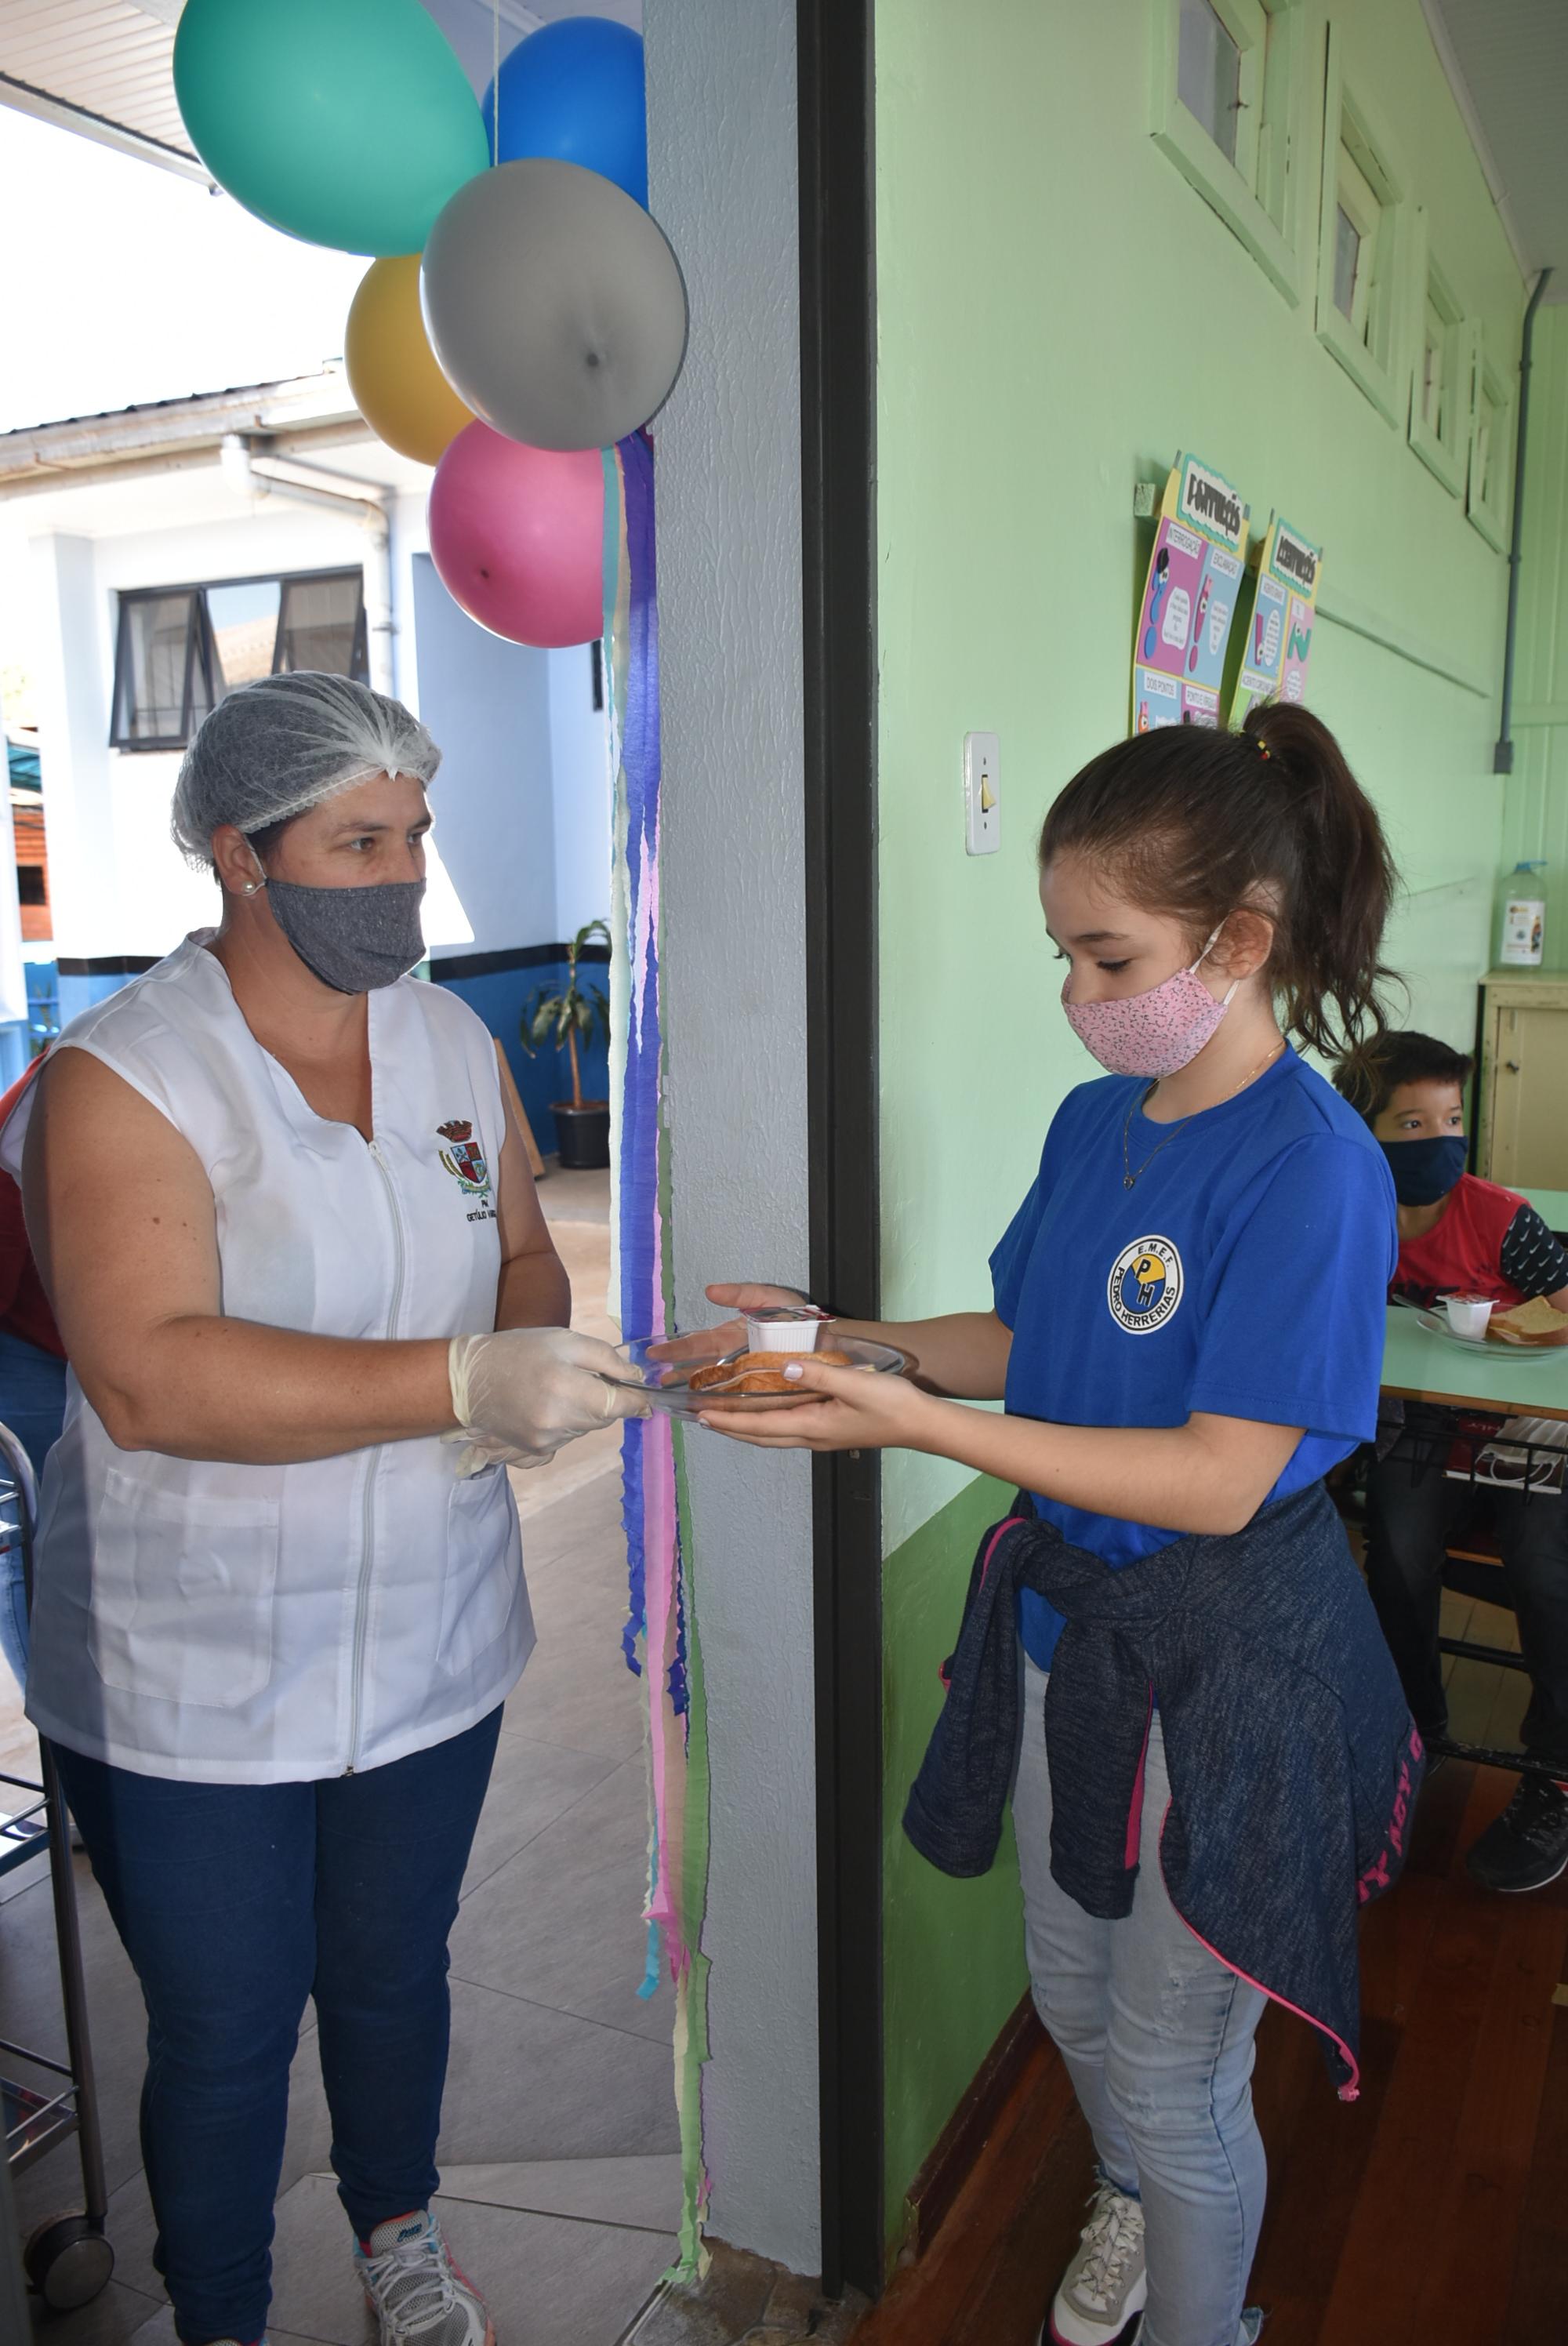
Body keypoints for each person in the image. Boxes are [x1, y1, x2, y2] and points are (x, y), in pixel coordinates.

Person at [696, 705, 1419, 2346]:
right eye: (1064, 957)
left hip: (1224, 1664)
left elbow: (1222, 1475)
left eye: (1108, 958)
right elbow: (1026, 1343)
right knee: (1073, 1986)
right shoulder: (1099, 1124)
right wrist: (841, 1341)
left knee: (1175, 2060)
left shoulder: (1311, 1168)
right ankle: (1130, 2192)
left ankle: (1198, 2303)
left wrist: (913, 1423)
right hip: (1064, 1635)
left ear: (1239, 942)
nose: (1080, 997)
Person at [9, 672, 647, 2346]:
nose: (403, 876)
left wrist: (527, 1349)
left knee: (392, 1964)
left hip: (432, 1621)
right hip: (199, 1661)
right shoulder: (126, 1075)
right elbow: (150, 1374)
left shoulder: (448, 1040)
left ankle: (399, 2228)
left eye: (414, 836)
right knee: (224, 2022)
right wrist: (460, 1380)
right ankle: (218, 2312)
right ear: (240, 851)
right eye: (358, 843)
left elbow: (520, 1244)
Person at [1334, 1029, 1568, 1893]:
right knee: (1395, 1548)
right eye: (1411, 1123)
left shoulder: (1501, 1220)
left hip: (1527, 1440)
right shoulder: (1350, 1220)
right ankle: (1414, 1731)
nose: (1439, 1139)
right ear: (1362, 1134)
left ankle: (1556, 1773)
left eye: (1452, 1119)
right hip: (1426, 1433)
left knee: (1545, 1565)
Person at [0, 1055, 67, 1701]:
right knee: (36, 1537)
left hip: (86, 1333)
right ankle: (54, 1714)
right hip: (24, 1342)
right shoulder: (63, 1078)